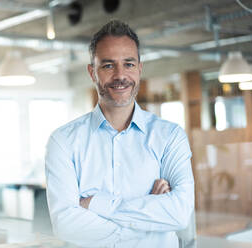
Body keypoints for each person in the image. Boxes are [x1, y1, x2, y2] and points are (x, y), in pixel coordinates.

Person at [45, 19, 194, 248]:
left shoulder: (170, 137)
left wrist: (95, 204)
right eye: (108, 65)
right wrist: (150, 215)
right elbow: (65, 224)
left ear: (140, 69)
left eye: (129, 64)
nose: (120, 75)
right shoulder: (63, 142)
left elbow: (180, 214)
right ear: (92, 72)